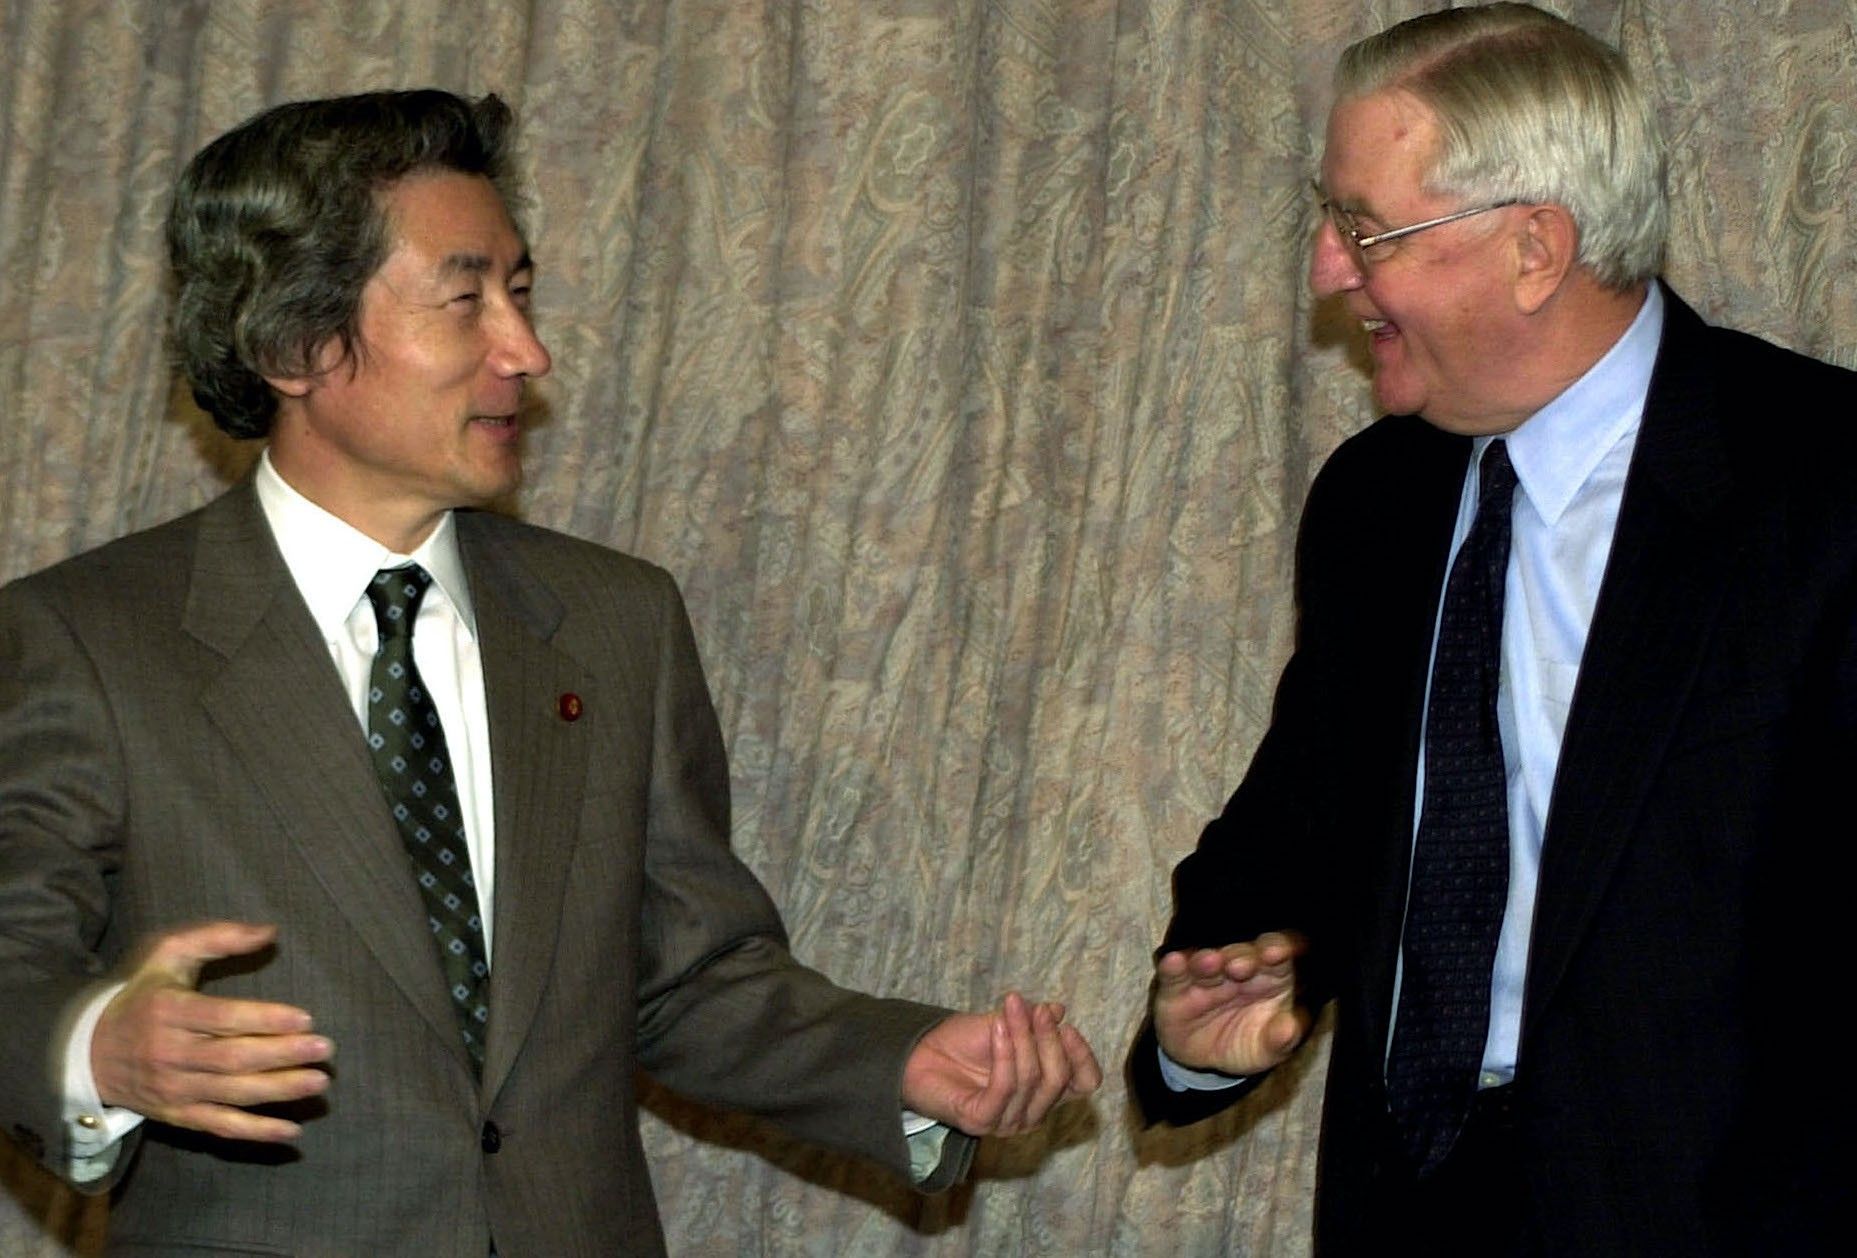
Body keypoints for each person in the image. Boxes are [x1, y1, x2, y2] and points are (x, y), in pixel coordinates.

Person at [0, 89, 1099, 1255]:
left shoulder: (617, 621)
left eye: (519, 293)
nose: (526, 352)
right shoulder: (89, 638)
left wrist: (902, 1063)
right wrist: (98, 1048)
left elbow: (683, 977)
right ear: (294, 344)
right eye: (465, 299)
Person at [1128, 4, 1852, 1254]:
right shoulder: (1375, 501)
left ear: (1534, 248)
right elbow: (1302, 825)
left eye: (1368, 228)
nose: (1328, 269)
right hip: (1406, 1210)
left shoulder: (1822, 483)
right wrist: (1203, 1024)